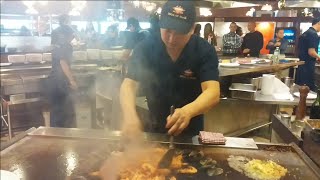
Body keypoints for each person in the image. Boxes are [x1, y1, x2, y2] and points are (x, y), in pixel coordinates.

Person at [119, 1, 220, 137]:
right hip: (154, 126)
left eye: (179, 33)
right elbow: (129, 85)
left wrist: (187, 111)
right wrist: (130, 117)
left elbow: (213, 92)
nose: (172, 39)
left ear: (192, 29)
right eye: (168, 31)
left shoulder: (203, 50)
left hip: (191, 130)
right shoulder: (146, 48)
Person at [48, 14, 77, 128]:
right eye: (72, 35)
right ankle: (64, 139)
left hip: (53, 82)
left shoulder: (56, 45)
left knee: (56, 112)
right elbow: (63, 63)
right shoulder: (67, 46)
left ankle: (55, 139)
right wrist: (72, 80)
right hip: (61, 83)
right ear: (67, 35)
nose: (72, 37)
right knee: (64, 113)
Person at [295, 17, 320, 91]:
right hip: (308, 65)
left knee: (300, 88)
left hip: (302, 64)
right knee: (308, 89)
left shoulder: (306, 33)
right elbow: (311, 52)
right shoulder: (313, 34)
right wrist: (319, 57)